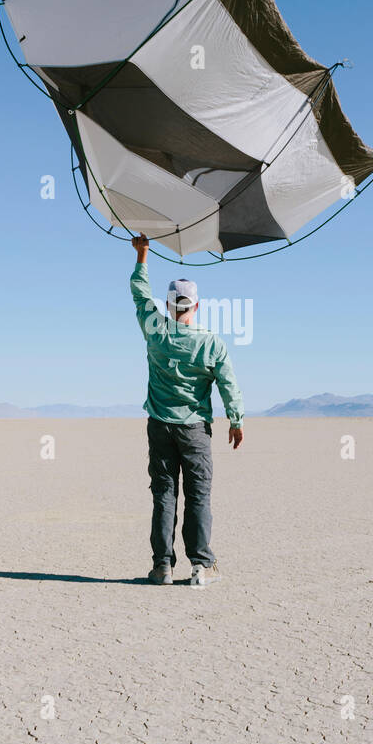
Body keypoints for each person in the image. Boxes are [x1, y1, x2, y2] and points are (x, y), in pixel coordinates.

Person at [129, 234, 243, 586]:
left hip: (159, 426)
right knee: (198, 494)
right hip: (194, 429)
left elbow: (138, 292)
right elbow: (228, 384)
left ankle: (162, 566)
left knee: (164, 494)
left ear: (167, 306)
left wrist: (142, 256)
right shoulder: (211, 343)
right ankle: (200, 565)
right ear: (197, 306)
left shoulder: (155, 332)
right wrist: (236, 420)